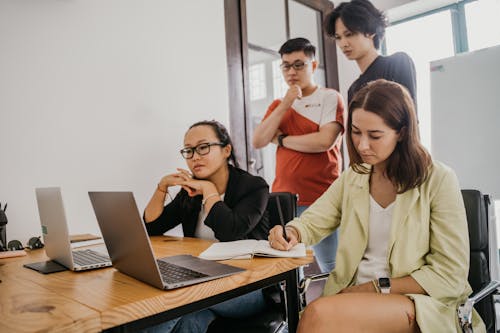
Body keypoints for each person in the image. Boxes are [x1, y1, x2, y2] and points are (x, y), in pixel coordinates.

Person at [267, 79, 485, 333]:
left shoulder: (438, 179)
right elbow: (314, 220)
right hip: (354, 297)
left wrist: (374, 288)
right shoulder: (354, 177)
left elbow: (450, 273)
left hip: (419, 301)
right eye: (356, 132)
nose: (362, 145)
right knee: (318, 316)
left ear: (402, 132)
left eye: (375, 135)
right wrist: (292, 232)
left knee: (317, 315)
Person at [143, 120, 271, 332]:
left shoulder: (253, 187)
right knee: (190, 320)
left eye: (203, 147)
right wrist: (162, 187)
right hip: (202, 280)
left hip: (248, 285)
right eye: (189, 150)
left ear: (226, 150)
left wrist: (209, 190)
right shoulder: (190, 192)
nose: (195, 157)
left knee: (174, 299)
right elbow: (152, 228)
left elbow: (230, 232)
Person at [252, 37, 345, 274]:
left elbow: (324, 141)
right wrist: (285, 104)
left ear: (313, 66)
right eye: (285, 65)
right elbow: (259, 140)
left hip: (322, 196)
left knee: (331, 266)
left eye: (299, 64)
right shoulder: (278, 105)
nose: (291, 71)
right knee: (290, 267)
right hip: (285, 197)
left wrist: (282, 140)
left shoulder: (329, 97)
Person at [324, 0, 417, 106]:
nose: (343, 44)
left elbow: (411, 118)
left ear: (371, 31)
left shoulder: (398, 63)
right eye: (338, 38)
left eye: (349, 34)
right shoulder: (353, 89)